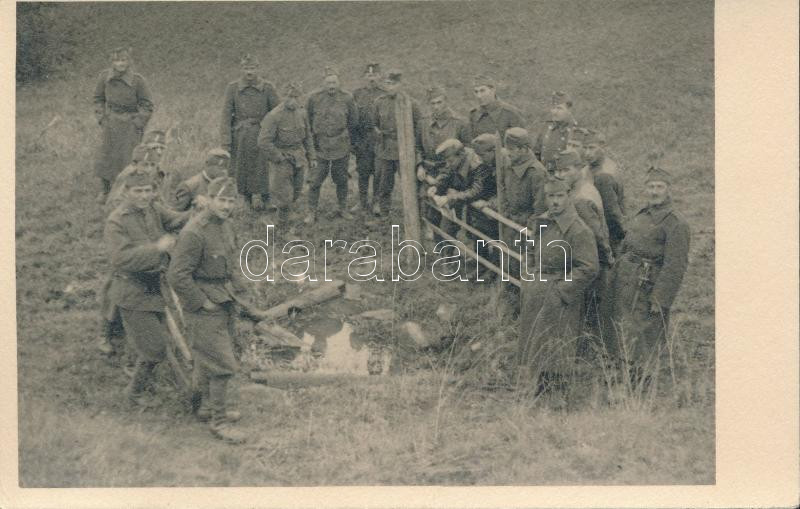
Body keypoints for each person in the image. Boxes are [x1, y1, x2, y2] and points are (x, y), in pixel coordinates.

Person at [167, 177, 247, 444]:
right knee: (223, 363)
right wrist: (201, 302)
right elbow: (177, 275)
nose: (226, 206)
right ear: (209, 199)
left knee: (206, 359)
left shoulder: (226, 225)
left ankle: (205, 407)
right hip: (203, 304)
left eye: (231, 201)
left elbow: (229, 261)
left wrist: (239, 286)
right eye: (221, 200)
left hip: (224, 298)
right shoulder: (194, 232)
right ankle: (219, 422)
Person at [103, 166, 188, 407]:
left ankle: (141, 380)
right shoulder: (117, 221)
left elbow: (176, 219)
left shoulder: (153, 209)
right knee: (155, 348)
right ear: (126, 191)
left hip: (155, 289)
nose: (143, 196)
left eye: (148, 190)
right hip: (132, 292)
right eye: (138, 191)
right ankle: (134, 393)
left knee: (155, 344)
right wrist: (157, 249)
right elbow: (120, 259)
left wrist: (199, 209)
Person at [517, 178, 598, 404]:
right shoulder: (542, 222)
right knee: (535, 343)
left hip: (560, 295)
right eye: (550, 196)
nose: (555, 202)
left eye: (560, 196)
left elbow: (589, 267)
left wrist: (561, 290)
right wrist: (529, 274)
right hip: (537, 291)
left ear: (568, 196)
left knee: (557, 345)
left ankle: (557, 396)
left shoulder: (578, 229)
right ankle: (538, 390)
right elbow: (531, 249)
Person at [611, 167, 690, 373]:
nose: (655, 192)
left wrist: (660, 299)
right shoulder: (642, 214)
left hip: (648, 286)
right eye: (651, 187)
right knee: (626, 328)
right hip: (628, 281)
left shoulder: (676, 223)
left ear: (668, 189)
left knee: (645, 332)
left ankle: (642, 378)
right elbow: (628, 243)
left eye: (659, 187)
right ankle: (625, 371)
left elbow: (675, 266)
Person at [554, 150, 614, 354]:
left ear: (578, 169)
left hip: (591, 262)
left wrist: (606, 259)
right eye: (558, 171)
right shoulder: (584, 187)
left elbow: (595, 235)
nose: (560, 175)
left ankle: (592, 350)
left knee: (591, 308)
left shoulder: (579, 198)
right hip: (592, 260)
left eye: (566, 170)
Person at [495, 127, 548, 314]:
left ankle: (528, 306)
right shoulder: (508, 165)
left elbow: (540, 208)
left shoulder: (537, 172)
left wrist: (530, 231)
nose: (508, 153)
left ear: (524, 149)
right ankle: (511, 301)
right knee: (510, 263)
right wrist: (507, 214)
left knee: (527, 266)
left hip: (528, 228)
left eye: (512, 150)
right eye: (507, 149)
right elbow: (503, 190)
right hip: (511, 223)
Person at [93, 47, 154, 204]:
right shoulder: (104, 77)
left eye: (123, 60)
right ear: (112, 62)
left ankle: (127, 190)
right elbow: (98, 99)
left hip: (130, 124)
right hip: (111, 122)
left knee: (129, 157)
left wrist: (138, 122)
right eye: (116, 60)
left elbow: (147, 104)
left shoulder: (138, 81)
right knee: (106, 155)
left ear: (129, 61)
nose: (120, 64)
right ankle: (105, 190)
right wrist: (102, 118)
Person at [221, 54, 279, 212]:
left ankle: (266, 198)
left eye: (252, 68)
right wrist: (226, 141)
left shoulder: (268, 87)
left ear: (258, 69)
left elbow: (277, 112)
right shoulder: (233, 88)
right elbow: (226, 115)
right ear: (241, 69)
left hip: (262, 134)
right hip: (241, 135)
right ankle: (246, 199)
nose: (249, 72)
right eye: (246, 68)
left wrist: (275, 135)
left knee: (263, 167)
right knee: (243, 167)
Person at [257, 81, 316, 232]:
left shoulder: (302, 113)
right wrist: (279, 157)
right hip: (282, 160)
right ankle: (283, 228)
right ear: (283, 97)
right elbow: (263, 141)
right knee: (284, 196)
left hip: (299, 158)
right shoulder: (274, 116)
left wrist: (312, 157)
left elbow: (308, 136)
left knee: (296, 191)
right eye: (289, 97)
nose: (293, 100)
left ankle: (282, 216)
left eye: (296, 97)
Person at [305, 66, 359, 224]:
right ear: (323, 83)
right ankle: (311, 211)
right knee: (315, 180)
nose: (331, 86)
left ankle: (343, 208)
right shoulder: (313, 98)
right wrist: (311, 145)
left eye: (334, 82)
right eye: (328, 83)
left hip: (340, 146)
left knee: (341, 179)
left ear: (339, 83)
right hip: (319, 146)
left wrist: (346, 139)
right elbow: (307, 121)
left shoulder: (347, 98)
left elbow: (353, 121)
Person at [370, 70, 423, 217]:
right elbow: (374, 124)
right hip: (385, 149)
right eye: (387, 83)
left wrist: (413, 147)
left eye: (393, 84)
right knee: (384, 183)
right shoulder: (379, 102)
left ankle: (413, 215)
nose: (390, 87)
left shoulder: (411, 104)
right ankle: (384, 213)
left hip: (405, 149)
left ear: (400, 84)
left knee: (409, 184)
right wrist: (378, 134)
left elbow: (419, 128)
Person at [584, 129, 626, 256]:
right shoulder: (606, 165)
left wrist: (618, 237)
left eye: (592, 148)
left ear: (602, 146)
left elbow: (611, 212)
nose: (587, 153)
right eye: (585, 148)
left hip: (606, 235)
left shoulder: (603, 176)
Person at [350, 62, 385, 212]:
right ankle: (362, 201)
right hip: (362, 139)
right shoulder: (357, 94)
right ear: (364, 77)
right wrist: (353, 142)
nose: (372, 78)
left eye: (375, 75)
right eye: (369, 75)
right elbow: (351, 119)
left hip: (379, 140)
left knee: (378, 172)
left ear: (380, 76)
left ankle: (376, 201)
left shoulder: (384, 94)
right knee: (363, 171)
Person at [467, 75, 525, 142]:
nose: (479, 96)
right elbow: (471, 142)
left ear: (493, 90)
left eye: (482, 91)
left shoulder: (511, 113)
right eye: (476, 92)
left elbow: (522, 144)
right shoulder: (473, 114)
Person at [533, 91, 578, 174]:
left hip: (563, 177)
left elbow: (577, 163)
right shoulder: (546, 126)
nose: (554, 112)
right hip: (544, 174)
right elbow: (536, 153)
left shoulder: (575, 131)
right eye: (553, 108)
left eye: (559, 108)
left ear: (569, 110)